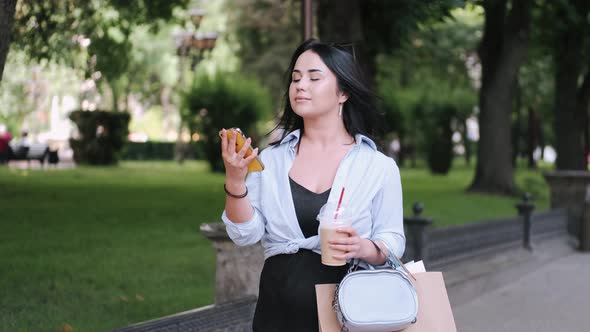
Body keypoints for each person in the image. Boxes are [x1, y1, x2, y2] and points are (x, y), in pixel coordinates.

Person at [219, 39, 405, 332]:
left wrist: (363, 247)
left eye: (314, 78)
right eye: (295, 78)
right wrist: (234, 178)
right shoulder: (272, 161)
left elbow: (393, 239)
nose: (300, 85)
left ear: (343, 92)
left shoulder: (377, 167)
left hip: (349, 311)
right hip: (277, 310)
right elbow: (245, 233)